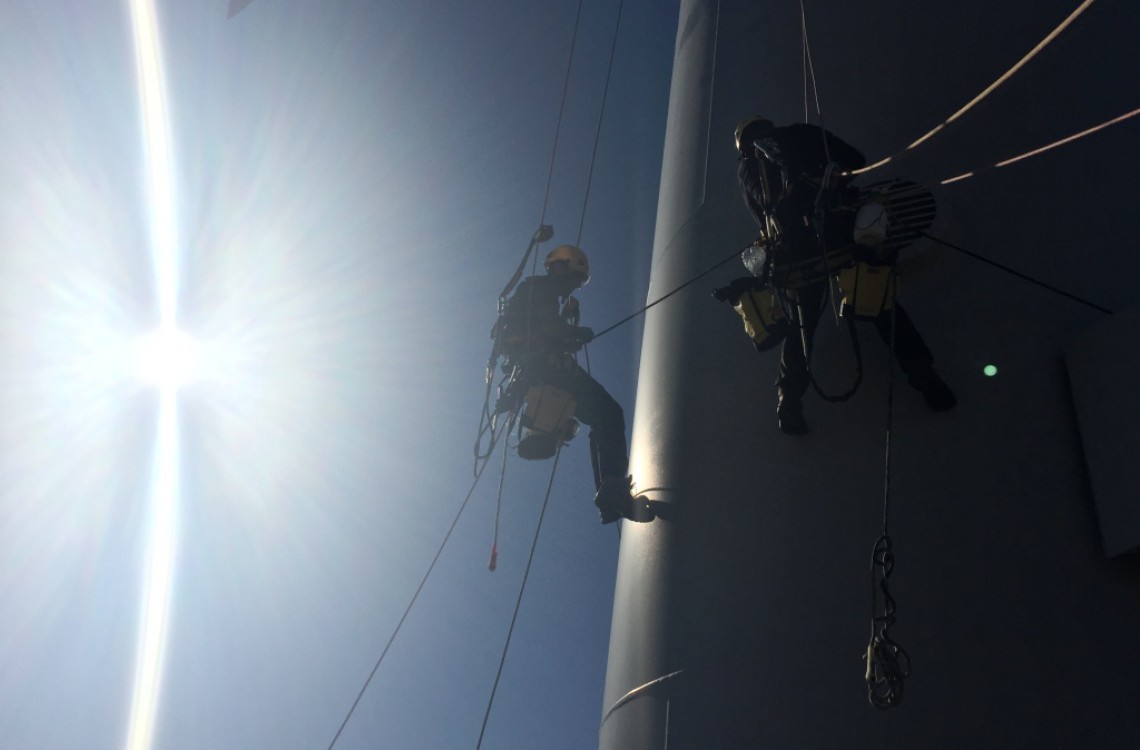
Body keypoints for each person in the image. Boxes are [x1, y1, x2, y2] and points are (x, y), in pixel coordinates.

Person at [732, 115, 956, 434]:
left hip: (798, 255)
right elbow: (855, 160)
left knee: (802, 325)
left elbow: (763, 210)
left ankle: (788, 401)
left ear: (741, 143)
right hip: (840, 234)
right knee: (879, 303)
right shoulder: (803, 133)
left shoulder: (748, 164)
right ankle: (926, 378)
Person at [496, 244, 649, 523]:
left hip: (536, 370)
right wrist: (575, 331)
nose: (573, 287)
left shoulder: (532, 293)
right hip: (549, 368)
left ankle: (610, 496)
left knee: (602, 418)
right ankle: (612, 490)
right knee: (609, 414)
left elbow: (547, 332)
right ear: (561, 268)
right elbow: (551, 329)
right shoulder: (541, 289)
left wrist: (570, 333)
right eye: (574, 280)